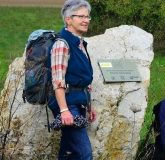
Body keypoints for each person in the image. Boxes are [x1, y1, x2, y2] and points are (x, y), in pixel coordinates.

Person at [48, 0, 96, 159]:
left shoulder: (80, 44)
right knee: (84, 153)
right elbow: (58, 80)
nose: (86, 20)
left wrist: (89, 106)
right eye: (81, 16)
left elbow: (83, 79)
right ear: (68, 19)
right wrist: (64, 111)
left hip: (78, 103)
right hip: (68, 105)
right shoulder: (62, 44)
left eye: (88, 16)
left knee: (68, 152)